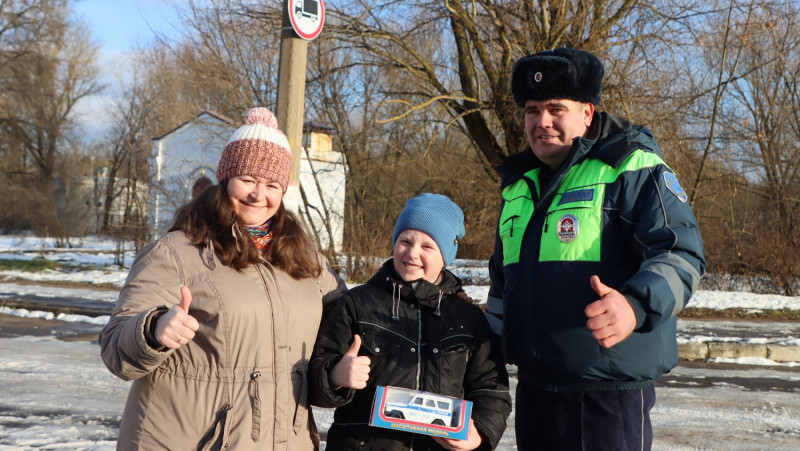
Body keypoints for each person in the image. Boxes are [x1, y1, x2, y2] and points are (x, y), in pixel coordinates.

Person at [485, 48, 706, 450]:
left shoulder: (630, 166)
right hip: (535, 393)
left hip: (607, 393)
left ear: (587, 113)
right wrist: (479, 351)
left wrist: (633, 305)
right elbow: (503, 285)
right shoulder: (518, 186)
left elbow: (681, 253)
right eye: (532, 110)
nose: (542, 122)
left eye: (556, 109)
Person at [99, 107, 346, 450]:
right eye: (247, 180)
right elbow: (115, 349)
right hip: (191, 441)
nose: (259, 195)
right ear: (225, 178)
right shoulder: (177, 251)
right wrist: (153, 330)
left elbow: (347, 326)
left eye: (272, 184)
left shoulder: (304, 258)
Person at [309, 193, 511, 451]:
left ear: (446, 255)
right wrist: (335, 375)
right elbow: (315, 372)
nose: (413, 253)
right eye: (405, 241)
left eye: (427, 246)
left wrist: (478, 435)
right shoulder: (357, 304)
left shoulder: (468, 319)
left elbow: (492, 391)